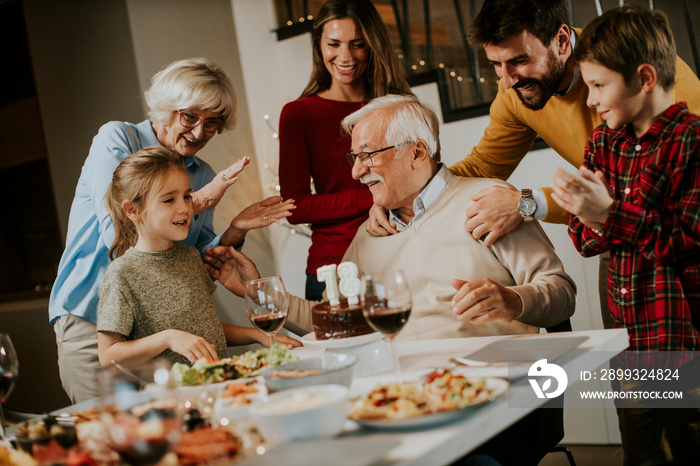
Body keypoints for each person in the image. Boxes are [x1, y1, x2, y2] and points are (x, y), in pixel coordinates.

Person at [365, 0, 700, 330]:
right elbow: (484, 164)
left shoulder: (641, 70)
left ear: (562, 42)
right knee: (631, 364)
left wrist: (528, 203)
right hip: (615, 239)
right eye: (496, 64)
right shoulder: (519, 95)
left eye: (520, 60)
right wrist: (400, 193)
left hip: (676, 232)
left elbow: (655, 187)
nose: (507, 80)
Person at [210, 94, 575, 342]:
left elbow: (561, 292)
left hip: (497, 391)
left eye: (367, 156)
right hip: (404, 396)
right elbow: (337, 320)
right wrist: (257, 294)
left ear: (417, 153)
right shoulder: (370, 233)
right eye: (353, 158)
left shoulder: (489, 203)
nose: (356, 172)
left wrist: (514, 301)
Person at [49, 57, 296, 403]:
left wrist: (235, 230)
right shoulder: (117, 138)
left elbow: (187, 264)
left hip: (159, 327)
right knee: (111, 440)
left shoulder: (202, 172)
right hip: (92, 318)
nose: (199, 133)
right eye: (190, 116)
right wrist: (198, 201)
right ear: (165, 108)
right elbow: (121, 240)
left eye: (212, 123)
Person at [550, 6, 700, 464]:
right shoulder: (602, 145)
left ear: (645, 77)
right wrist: (591, 214)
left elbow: (687, 241)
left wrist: (610, 216)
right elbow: (584, 238)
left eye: (598, 86)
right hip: (629, 347)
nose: (591, 100)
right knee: (641, 454)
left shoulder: (691, 141)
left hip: (686, 348)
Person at [97, 147, 300, 369]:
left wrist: (258, 335)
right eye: (168, 200)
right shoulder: (122, 274)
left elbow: (204, 327)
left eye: (186, 196)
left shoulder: (190, 257)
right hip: (174, 396)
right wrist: (167, 338)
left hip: (216, 382)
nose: (184, 208)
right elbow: (108, 355)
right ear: (132, 210)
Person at [278, 0, 412, 301]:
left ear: (373, 46)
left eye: (357, 44)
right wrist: (373, 196)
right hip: (334, 270)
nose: (345, 56)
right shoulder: (299, 114)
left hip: (401, 256)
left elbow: (422, 181)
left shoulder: (400, 106)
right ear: (319, 46)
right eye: (334, 44)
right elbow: (295, 207)